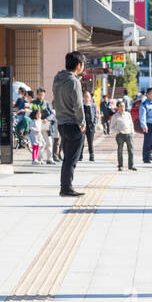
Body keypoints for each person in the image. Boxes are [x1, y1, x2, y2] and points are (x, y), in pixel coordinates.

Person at [53, 52, 87, 198]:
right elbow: (78, 105)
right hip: (73, 124)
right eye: (83, 65)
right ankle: (66, 188)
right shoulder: (74, 82)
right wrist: (82, 123)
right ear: (78, 66)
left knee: (67, 157)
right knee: (71, 159)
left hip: (61, 123)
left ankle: (65, 186)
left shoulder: (57, 78)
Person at [112, 101, 136, 170]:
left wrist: (132, 132)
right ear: (117, 107)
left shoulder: (128, 114)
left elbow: (131, 123)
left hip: (129, 134)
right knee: (120, 150)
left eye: (123, 106)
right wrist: (118, 132)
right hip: (120, 135)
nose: (122, 108)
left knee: (131, 150)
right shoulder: (115, 116)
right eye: (120, 106)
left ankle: (131, 165)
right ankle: (120, 165)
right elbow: (112, 127)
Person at [81, 91, 97, 161]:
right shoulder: (81, 105)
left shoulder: (93, 105)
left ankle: (91, 156)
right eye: (85, 96)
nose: (86, 98)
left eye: (88, 96)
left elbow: (95, 115)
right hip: (83, 126)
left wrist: (93, 124)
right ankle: (80, 156)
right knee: (81, 142)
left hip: (90, 126)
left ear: (90, 98)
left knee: (90, 142)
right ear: (83, 97)